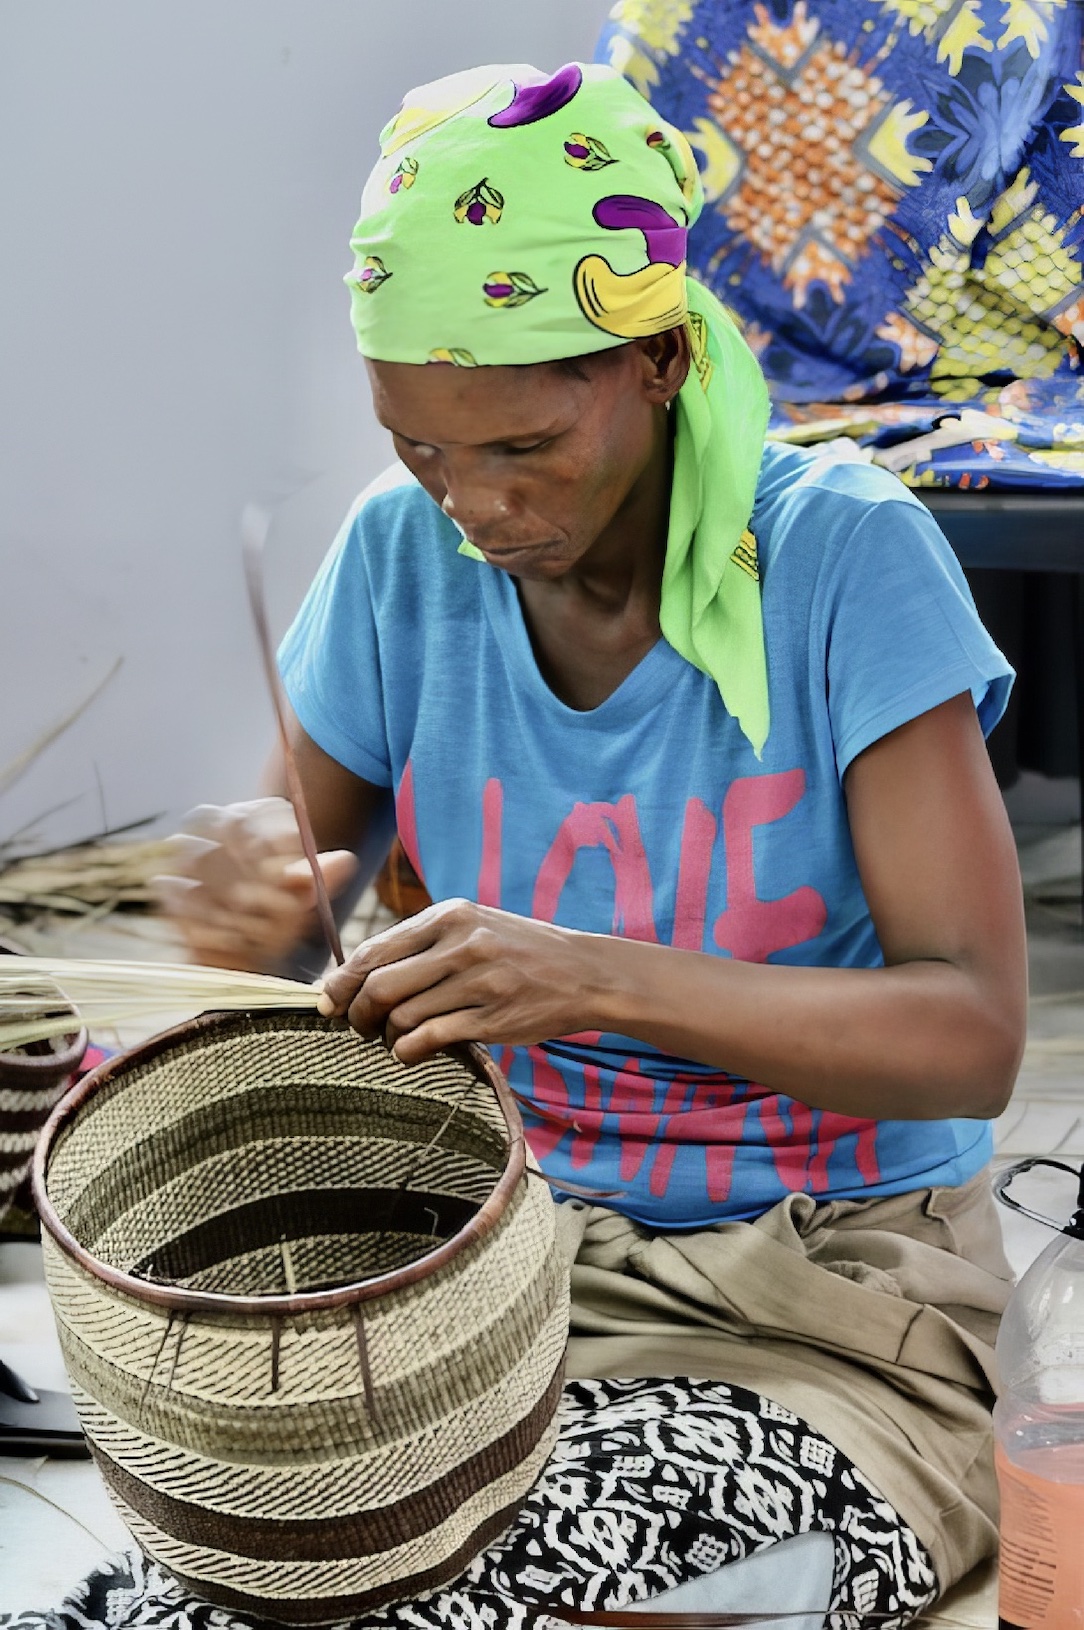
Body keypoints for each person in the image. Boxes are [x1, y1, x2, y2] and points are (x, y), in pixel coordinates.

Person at [163, 61, 1026, 1627]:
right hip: (499, 1263)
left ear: (658, 359)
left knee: (549, 1586)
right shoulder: (399, 553)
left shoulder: (843, 559)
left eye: (520, 447)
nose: (471, 506)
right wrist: (255, 891)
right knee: (247, 1576)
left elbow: (969, 1036)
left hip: (830, 1295)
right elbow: (308, 904)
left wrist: (593, 979)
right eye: (422, 447)